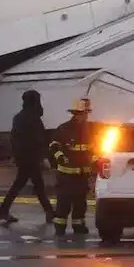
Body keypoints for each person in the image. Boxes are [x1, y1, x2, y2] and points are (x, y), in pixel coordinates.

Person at [0, 90, 55, 226]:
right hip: (32, 157)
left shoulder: (19, 117)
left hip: (23, 157)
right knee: (34, 185)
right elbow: (39, 139)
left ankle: (48, 211)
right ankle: (49, 211)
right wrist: (44, 156)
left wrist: (16, 155)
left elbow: (14, 138)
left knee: (27, 184)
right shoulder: (34, 118)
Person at [49, 98, 94, 235]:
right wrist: (60, 158)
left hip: (82, 175)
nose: (85, 116)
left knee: (80, 203)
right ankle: (60, 227)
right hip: (66, 176)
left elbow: (95, 149)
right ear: (75, 114)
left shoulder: (90, 130)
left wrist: (95, 162)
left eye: (86, 113)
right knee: (64, 202)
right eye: (83, 113)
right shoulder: (64, 128)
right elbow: (54, 146)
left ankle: (78, 226)